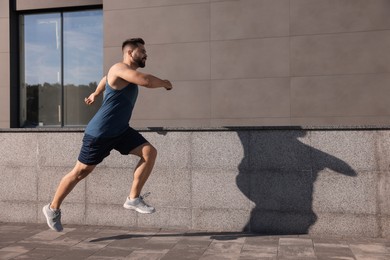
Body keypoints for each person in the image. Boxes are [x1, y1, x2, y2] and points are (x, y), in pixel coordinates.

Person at [42, 38, 172, 232]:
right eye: (142, 50)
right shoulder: (119, 68)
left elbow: (105, 78)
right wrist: (165, 83)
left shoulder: (120, 74)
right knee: (80, 172)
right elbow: (145, 81)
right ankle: (52, 208)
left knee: (149, 152)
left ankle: (133, 198)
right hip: (100, 132)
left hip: (120, 130)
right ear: (130, 53)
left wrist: (95, 93)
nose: (146, 54)